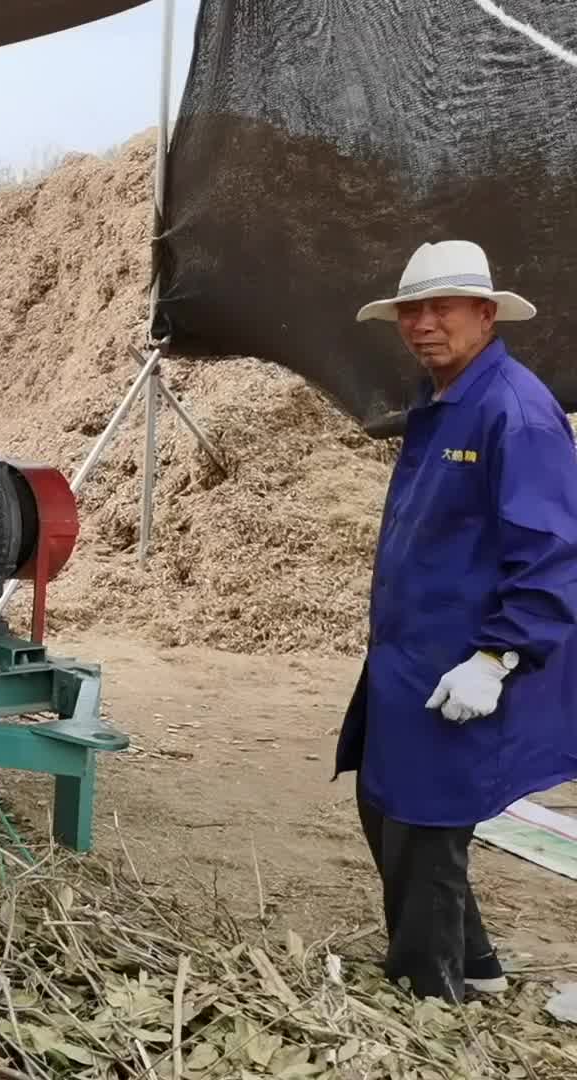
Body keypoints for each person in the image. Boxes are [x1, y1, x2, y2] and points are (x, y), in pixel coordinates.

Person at [337, 239, 577, 1002]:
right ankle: (476, 964)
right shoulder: (442, 398)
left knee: (425, 820)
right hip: (408, 654)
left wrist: (497, 658)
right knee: (387, 806)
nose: (423, 325)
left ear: (485, 314)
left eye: (442, 309)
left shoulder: (515, 412)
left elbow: (551, 552)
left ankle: (430, 992)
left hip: (462, 660)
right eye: (412, 312)